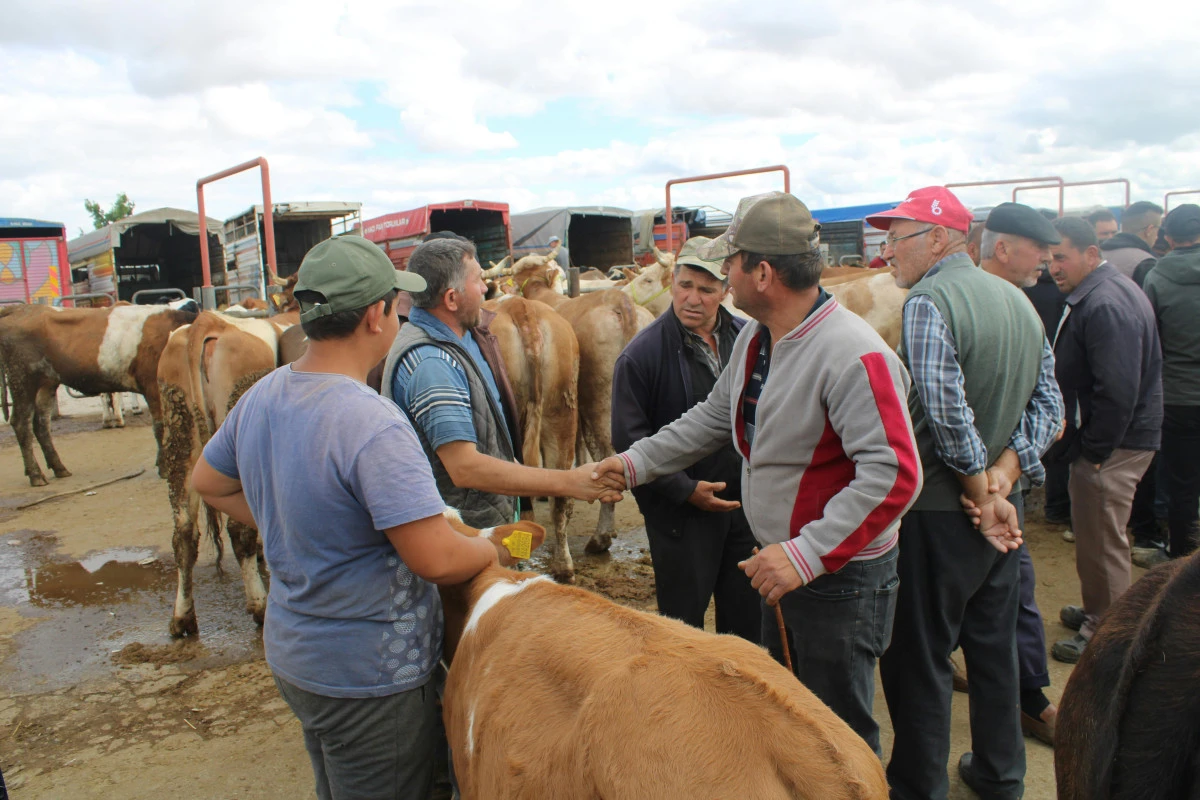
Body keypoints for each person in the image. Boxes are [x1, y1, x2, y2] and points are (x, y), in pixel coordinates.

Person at [594, 191, 922, 756]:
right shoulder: (756, 338)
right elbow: (715, 417)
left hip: (835, 581)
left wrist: (805, 554)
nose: (724, 275)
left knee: (834, 735)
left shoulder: (852, 354)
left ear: (762, 272)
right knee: (793, 718)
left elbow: (894, 475)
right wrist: (633, 462)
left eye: (731, 263)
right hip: (784, 568)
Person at [192, 235, 516, 800]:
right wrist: (493, 548)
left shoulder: (266, 394)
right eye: (398, 305)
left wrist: (286, 520)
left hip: (297, 653)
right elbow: (436, 557)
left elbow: (209, 482)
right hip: (370, 674)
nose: (401, 315)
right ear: (375, 316)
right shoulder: (373, 423)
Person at [870, 187, 1060, 800]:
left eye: (896, 238)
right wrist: (1007, 474)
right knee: (993, 647)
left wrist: (979, 485)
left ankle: (919, 785)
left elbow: (945, 408)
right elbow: (1052, 406)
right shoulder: (1020, 302)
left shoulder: (929, 301)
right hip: (1000, 514)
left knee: (919, 656)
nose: (886, 252)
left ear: (937, 238)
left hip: (939, 513)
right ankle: (1002, 775)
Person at [381, 237, 616, 532]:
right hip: (467, 536)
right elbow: (465, 468)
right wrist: (570, 482)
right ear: (452, 299)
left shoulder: (458, 340)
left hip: (480, 525)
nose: (485, 288)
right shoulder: (433, 365)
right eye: (478, 280)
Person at [610, 236, 759, 642]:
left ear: (726, 290)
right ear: (672, 282)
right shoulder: (641, 356)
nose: (692, 298)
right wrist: (685, 490)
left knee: (746, 623)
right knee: (681, 629)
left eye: (707, 289)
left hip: (744, 508)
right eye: (684, 285)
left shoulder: (749, 339)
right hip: (680, 518)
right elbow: (627, 439)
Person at [1046, 217, 1162, 664]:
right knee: (1097, 536)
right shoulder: (1099, 293)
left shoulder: (1105, 303)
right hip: (1115, 440)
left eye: (1062, 257)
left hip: (1114, 445)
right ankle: (1100, 610)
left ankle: (1108, 634)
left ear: (1091, 255)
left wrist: (1094, 451)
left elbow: (1117, 390)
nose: (1054, 266)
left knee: (1104, 540)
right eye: (1050, 257)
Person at [976, 202, 1067, 746]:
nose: (1048, 261)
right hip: (966, 495)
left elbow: (1049, 405)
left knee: (1011, 592)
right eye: (1040, 250)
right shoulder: (944, 305)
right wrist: (998, 478)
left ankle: (1029, 698)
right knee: (1005, 593)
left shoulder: (1024, 309)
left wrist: (999, 476)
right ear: (1004, 249)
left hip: (978, 495)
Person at [1142, 204, 1200, 561]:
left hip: (1177, 395)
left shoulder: (1156, 277)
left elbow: (1152, 341)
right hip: (1180, 392)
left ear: (1166, 237)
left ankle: (1180, 559)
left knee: (1182, 484)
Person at [1100, 201, 1162, 281]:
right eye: (1158, 230)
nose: (1157, 237)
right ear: (1149, 230)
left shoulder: (1098, 254)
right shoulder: (1146, 262)